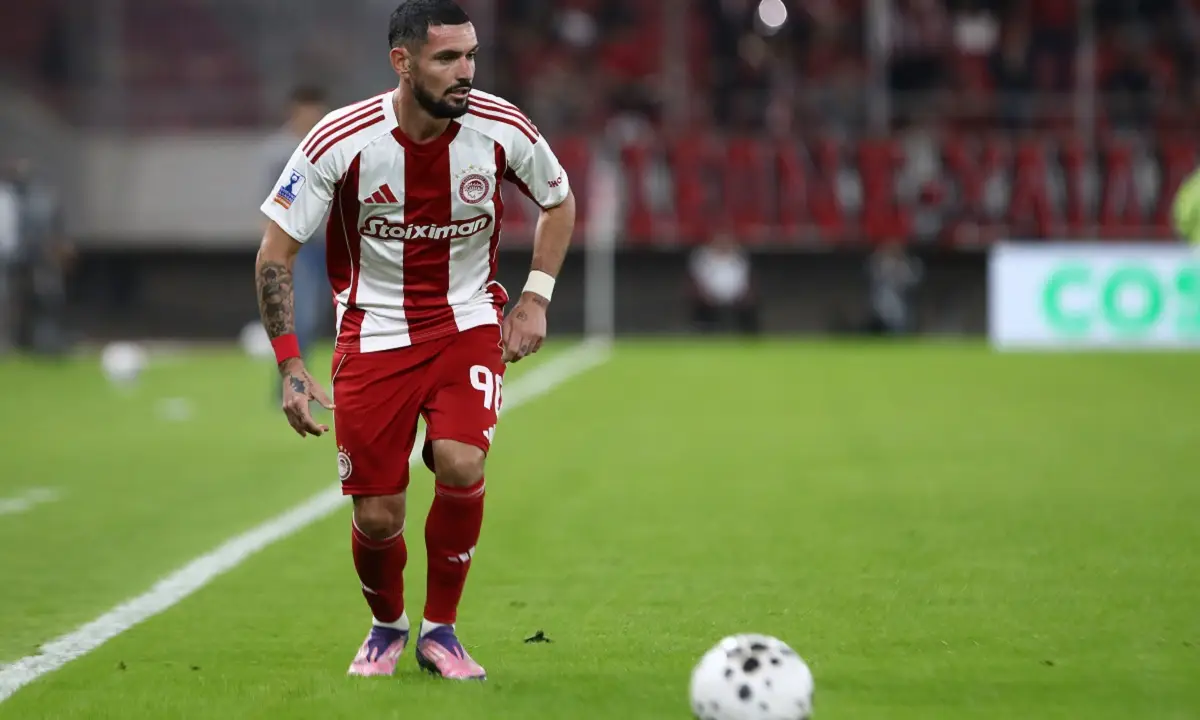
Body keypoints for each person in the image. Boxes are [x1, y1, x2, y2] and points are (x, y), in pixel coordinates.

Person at [254, 0, 575, 681]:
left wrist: (534, 299)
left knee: (460, 461)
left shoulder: (501, 127)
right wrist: (290, 365)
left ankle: (441, 631)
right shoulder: (339, 140)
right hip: (373, 333)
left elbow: (559, 199)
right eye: (447, 58)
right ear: (402, 63)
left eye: (471, 56)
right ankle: (387, 626)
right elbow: (275, 253)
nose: (466, 72)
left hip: (467, 324)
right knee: (377, 515)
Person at [261, 85, 331, 379]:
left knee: (317, 316)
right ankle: (292, 379)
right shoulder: (281, 152)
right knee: (301, 316)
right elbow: (271, 201)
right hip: (296, 244)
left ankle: (298, 377)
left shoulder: (330, 144)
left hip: (327, 243)